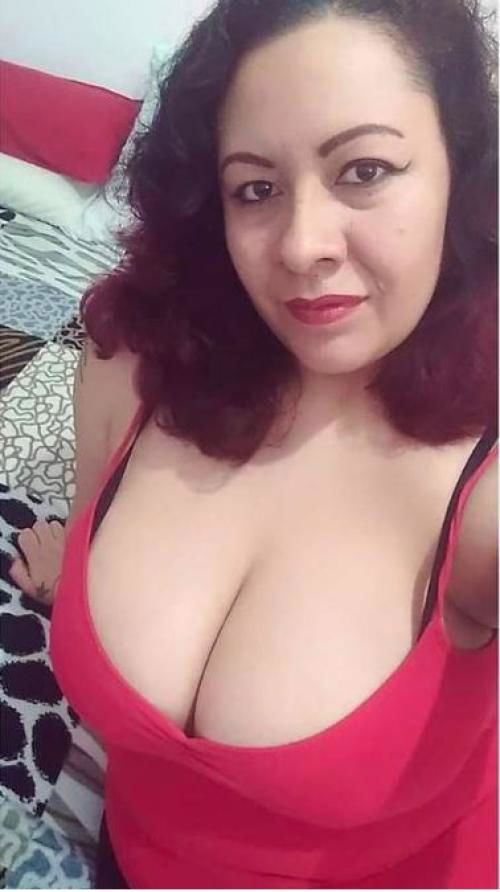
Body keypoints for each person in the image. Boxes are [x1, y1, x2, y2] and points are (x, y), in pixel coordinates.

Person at [8, 0, 498, 887]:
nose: (303, 246)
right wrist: (71, 584)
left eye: (365, 170)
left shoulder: (482, 485)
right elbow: (97, 527)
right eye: (256, 189)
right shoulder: (134, 362)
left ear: (463, 180)